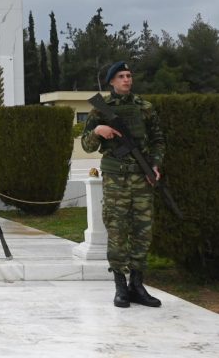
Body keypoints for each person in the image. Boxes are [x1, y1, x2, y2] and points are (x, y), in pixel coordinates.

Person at [81, 61, 166, 309]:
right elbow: (87, 145)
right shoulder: (101, 109)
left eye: (129, 75)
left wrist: (156, 164)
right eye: (121, 76)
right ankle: (120, 287)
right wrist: (98, 130)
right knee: (117, 230)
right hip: (116, 179)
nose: (127, 79)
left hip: (142, 177)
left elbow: (159, 140)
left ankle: (137, 286)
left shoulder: (145, 108)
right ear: (111, 82)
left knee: (142, 230)